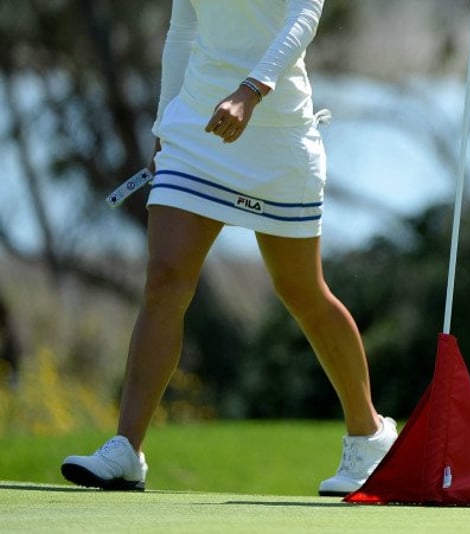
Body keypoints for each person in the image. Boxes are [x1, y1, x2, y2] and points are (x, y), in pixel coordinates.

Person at [61, 0, 397, 497]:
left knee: (302, 291)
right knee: (165, 278)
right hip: (196, 127)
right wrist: (163, 124)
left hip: (279, 132)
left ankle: (369, 435)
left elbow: (303, 16)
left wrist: (251, 90)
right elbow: (182, 31)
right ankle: (126, 448)